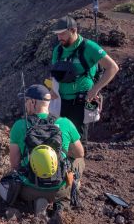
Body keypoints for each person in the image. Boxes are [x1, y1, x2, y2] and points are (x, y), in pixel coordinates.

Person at [6, 84, 85, 214]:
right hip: (60, 188)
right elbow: (80, 153)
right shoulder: (65, 123)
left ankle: (36, 201)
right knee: (79, 160)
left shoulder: (19, 125)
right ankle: (61, 201)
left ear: (33, 102)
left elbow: (14, 164)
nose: (25, 104)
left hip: (29, 191)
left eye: (26, 101)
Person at [50, 15, 119, 143]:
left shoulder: (89, 47)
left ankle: (78, 163)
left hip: (81, 102)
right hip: (61, 102)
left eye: (62, 34)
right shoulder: (58, 50)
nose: (59, 38)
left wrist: (95, 90)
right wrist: (52, 89)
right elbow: (54, 73)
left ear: (73, 30)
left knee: (78, 141)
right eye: (57, 35)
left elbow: (113, 68)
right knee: (61, 139)